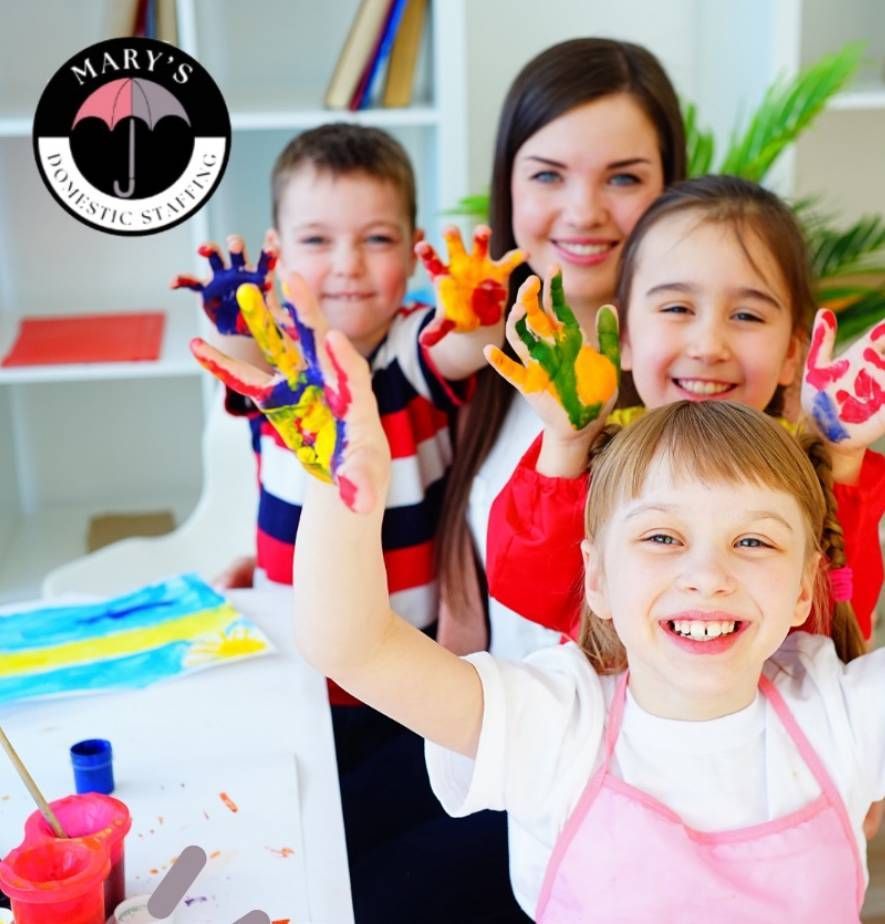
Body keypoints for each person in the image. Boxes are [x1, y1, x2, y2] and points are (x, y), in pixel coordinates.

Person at [208, 290, 885, 920]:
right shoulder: (556, 723)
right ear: (596, 579)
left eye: (751, 541)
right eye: (660, 537)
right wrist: (340, 481)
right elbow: (350, 647)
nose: (706, 575)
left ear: (804, 587)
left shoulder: (842, 715)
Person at [174, 122, 528, 922]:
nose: (345, 265)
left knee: (366, 839)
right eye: (315, 239)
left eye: (376, 238)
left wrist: (475, 304)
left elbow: (464, 344)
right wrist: (237, 308)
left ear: (409, 251)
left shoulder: (404, 350)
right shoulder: (278, 361)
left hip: (407, 665)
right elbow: (241, 353)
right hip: (297, 663)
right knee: (289, 834)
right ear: (276, 252)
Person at [485, 175, 885, 650]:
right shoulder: (600, 453)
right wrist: (569, 443)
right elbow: (528, 587)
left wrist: (840, 458)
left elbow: (836, 626)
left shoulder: (803, 466)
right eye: (676, 308)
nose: (708, 346)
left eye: (747, 316)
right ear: (625, 336)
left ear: (792, 353)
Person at [431, 37, 688, 659]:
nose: (583, 212)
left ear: (671, 185)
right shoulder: (473, 355)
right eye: (549, 175)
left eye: (623, 177)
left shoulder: (698, 368)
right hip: (505, 730)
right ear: (509, 185)